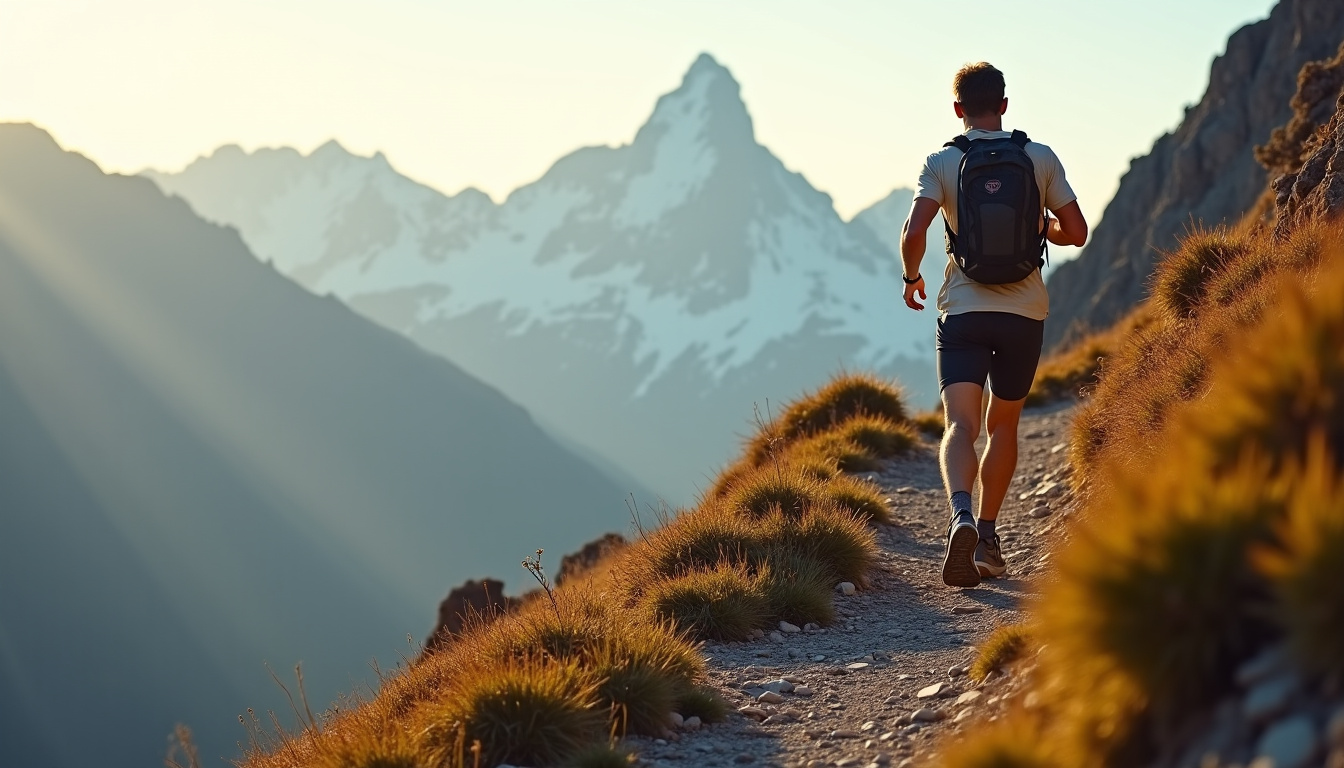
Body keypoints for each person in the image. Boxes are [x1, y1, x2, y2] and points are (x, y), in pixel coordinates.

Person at [899, 62, 1088, 588]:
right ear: (1004, 104)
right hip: (1023, 313)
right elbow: (1077, 232)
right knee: (1003, 426)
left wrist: (912, 276)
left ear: (958, 110)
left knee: (961, 423)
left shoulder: (943, 161)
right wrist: (1042, 224)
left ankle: (959, 513)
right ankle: (986, 535)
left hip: (962, 311)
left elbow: (915, 229)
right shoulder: (1038, 157)